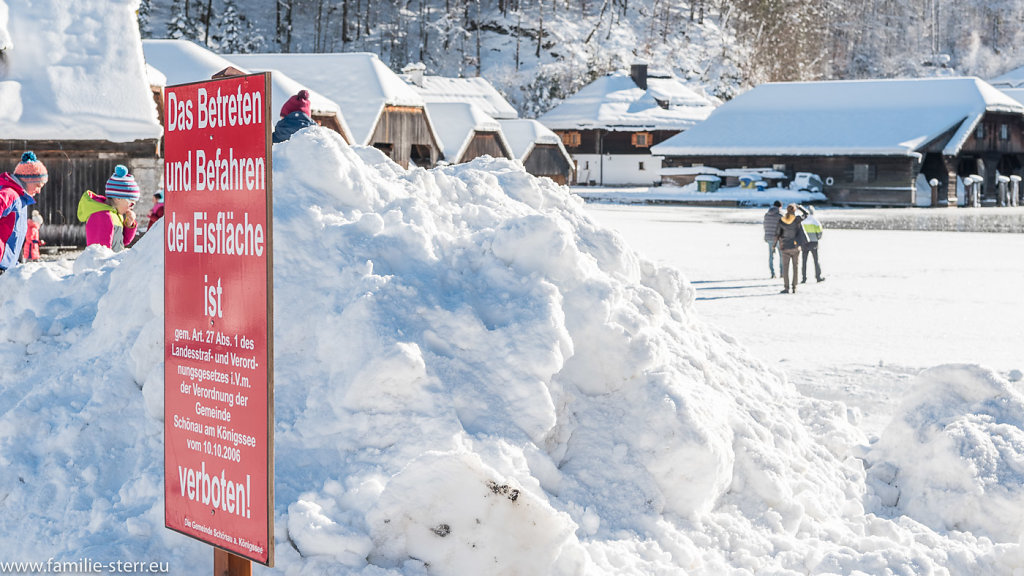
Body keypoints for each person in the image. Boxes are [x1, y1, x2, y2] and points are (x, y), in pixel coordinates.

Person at [0, 151, 48, 274]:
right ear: (28, 180)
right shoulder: (10, 194)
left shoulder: (21, 199)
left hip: (7, 266)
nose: (39, 191)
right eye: (38, 185)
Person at [77, 165, 139, 252]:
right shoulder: (102, 216)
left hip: (114, 262)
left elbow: (122, 242)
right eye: (131, 203)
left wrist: (129, 224)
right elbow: (101, 252)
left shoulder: (116, 214)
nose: (131, 207)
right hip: (107, 264)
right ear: (118, 198)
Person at [775, 203, 809, 294]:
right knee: (795, 268)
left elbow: (777, 234)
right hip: (795, 247)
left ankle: (786, 288)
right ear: (794, 210)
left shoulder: (782, 220)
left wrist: (774, 245)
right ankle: (794, 287)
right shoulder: (797, 219)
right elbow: (806, 214)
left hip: (785, 247)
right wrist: (800, 207)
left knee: (785, 269)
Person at [801, 205, 825, 283]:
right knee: (816, 260)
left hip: (804, 243)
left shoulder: (802, 221)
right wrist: (817, 238)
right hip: (813, 242)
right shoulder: (815, 221)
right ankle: (818, 276)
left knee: (804, 261)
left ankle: (804, 278)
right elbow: (820, 232)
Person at [762, 200, 782, 278]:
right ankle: (782, 273)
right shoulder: (780, 215)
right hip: (778, 238)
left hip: (769, 238)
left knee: (771, 256)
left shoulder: (767, 215)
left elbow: (765, 226)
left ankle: (772, 273)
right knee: (781, 256)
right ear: (780, 207)